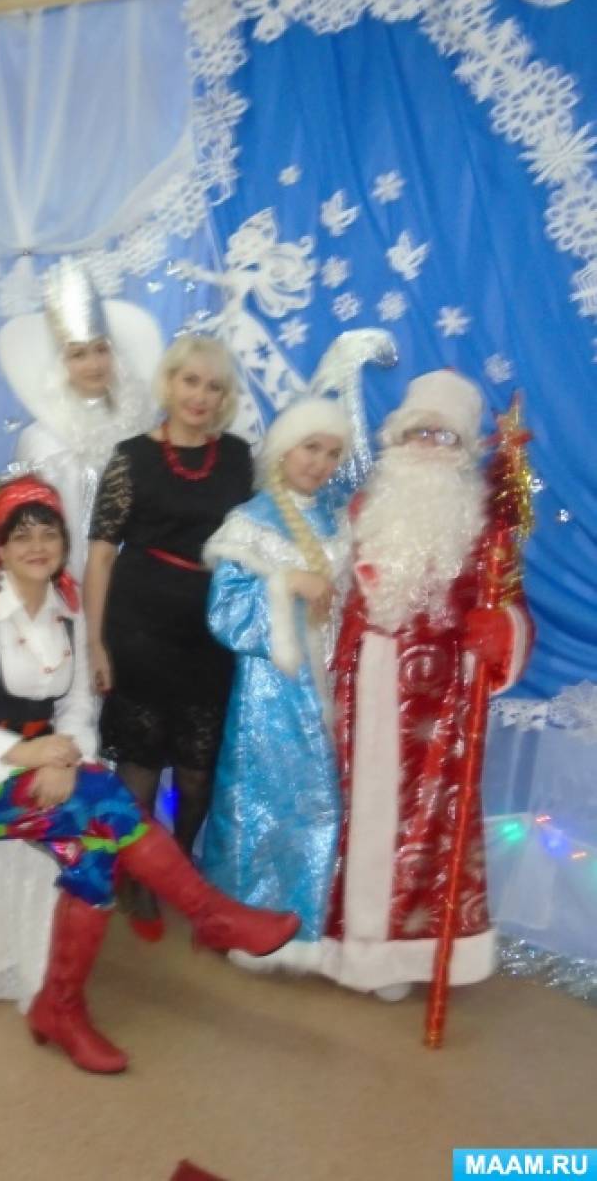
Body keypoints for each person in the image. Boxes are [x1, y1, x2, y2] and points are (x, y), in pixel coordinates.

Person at [0, 474, 302, 1074]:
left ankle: (60, 1007)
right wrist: (23, 755)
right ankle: (207, 916)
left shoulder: (67, 604)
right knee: (106, 812)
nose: (37, 546)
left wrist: (70, 758)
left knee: (94, 848)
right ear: (0, 545)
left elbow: (76, 706)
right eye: (22, 535)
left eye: (49, 534)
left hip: (50, 765)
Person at [321, 370, 532, 1001]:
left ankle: (409, 950)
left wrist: (500, 628)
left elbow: (513, 609)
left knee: (428, 825)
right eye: (419, 432)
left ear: (464, 448)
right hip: (366, 683)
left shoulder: (485, 527)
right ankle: (355, 946)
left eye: (444, 436)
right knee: (359, 811)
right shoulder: (363, 509)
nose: (429, 446)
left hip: (442, 701)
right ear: (397, 438)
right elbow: (335, 598)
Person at [84, 334, 254, 939]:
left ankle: (178, 864)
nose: (200, 396)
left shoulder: (238, 458)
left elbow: (258, 540)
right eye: (190, 381)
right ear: (170, 383)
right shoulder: (131, 457)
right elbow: (100, 555)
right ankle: (138, 875)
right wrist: (96, 643)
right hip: (139, 629)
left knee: (197, 771)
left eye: (213, 386)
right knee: (140, 764)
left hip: (210, 634)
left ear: (225, 397)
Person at [202, 396, 352, 973]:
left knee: (321, 807)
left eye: (332, 453)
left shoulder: (340, 522)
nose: (320, 463)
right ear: (285, 450)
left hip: (329, 688)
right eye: (311, 448)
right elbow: (225, 612)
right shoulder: (251, 523)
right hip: (271, 691)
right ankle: (248, 923)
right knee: (259, 805)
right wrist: (286, 584)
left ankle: (309, 927)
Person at [0, 258, 162, 578]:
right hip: (62, 583)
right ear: (61, 364)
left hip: (133, 584)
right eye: (78, 354)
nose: (94, 365)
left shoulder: (141, 427)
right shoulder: (40, 441)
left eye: (101, 350)